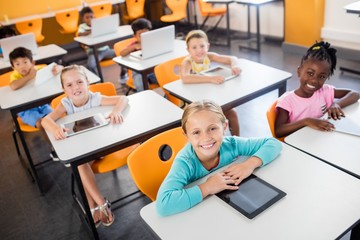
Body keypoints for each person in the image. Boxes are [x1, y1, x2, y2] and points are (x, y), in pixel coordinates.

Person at [156, 100, 282, 216]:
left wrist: (250, 164)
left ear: (224, 127)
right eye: (196, 132)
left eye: (212, 128)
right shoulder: (185, 162)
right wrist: (208, 187)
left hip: (227, 207)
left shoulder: (232, 144)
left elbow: (274, 143)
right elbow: (163, 204)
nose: (206, 138)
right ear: (187, 136)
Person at [41, 65, 129, 227]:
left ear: (87, 82)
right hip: (83, 148)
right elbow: (46, 120)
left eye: (80, 82)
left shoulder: (95, 98)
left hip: (101, 146)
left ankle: (95, 206)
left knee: (79, 163)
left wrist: (117, 111)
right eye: (69, 85)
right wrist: (56, 128)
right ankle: (98, 204)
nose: (76, 88)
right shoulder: (66, 103)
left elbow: (123, 99)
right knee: (80, 163)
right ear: (63, 89)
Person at [275, 41, 360, 138]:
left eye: (322, 76)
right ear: (299, 71)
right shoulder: (287, 101)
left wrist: (336, 104)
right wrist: (306, 121)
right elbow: (279, 131)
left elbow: (355, 94)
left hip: (321, 139)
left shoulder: (325, 91)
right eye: (310, 73)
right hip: (299, 144)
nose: (315, 80)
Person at [180, 30, 241, 136]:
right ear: (188, 49)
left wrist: (234, 65)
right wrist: (210, 79)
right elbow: (185, 78)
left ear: (208, 46)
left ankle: (237, 143)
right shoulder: (188, 62)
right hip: (193, 105)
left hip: (209, 99)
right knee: (210, 122)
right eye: (194, 47)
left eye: (202, 46)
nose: (199, 50)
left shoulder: (209, 56)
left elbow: (232, 58)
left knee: (232, 113)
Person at [77, 7, 127, 81]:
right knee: (90, 65)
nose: (90, 19)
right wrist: (91, 31)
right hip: (93, 52)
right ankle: (97, 81)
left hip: (106, 50)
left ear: (94, 16)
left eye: (91, 16)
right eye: (87, 17)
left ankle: (123, 74)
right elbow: (80, 34)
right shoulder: (82, 27)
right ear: (83, 19)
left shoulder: (98, 23)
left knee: (123, 54)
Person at [119, 18, 158, 91]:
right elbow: (122, 53)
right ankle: (145, 100)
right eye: (140, 35)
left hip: (153, 71)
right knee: (141, 86)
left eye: (146, 34)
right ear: (134, 36)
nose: (144, 37)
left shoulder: (152, 42)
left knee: (168, 80)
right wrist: (133, 47)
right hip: (138, 72)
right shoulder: (134, 44)